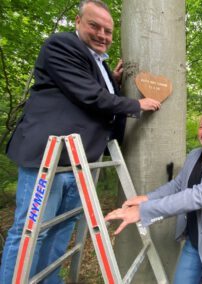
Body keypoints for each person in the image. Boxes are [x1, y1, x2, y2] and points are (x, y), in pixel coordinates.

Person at [0, 1, 161, 283]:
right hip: (47, 158)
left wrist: (111, 80)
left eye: (108, 31)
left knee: (63, 227)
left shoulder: (97, 62)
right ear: (77, 21)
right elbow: (88, 94)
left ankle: (49, 280)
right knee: (30, 229)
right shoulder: (61, 46)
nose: (102, 35)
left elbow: (88, 88)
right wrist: (135, 104)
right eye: (94, 26)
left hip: (81, 160)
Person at [105, 109, 202, 284]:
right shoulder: (194, 155)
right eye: (201, 126)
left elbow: (195, 196)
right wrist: (147, 198)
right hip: (194, 241)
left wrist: (144, 211)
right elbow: (177, 185)